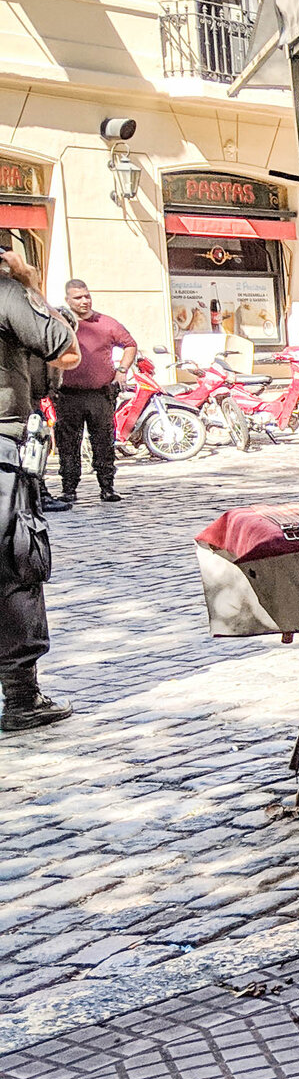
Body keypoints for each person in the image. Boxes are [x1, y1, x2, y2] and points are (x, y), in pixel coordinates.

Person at [0, 247, 73, 731]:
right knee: (14, 564)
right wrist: (23, 276)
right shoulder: (7, 290)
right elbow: (63, 343)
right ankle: (21, 698)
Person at [44, 280, 134, 512]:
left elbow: (129, 344)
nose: (84, 301)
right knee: (68, 444)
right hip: (68, 394)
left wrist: (121, 371)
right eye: (78, 298)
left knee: (104, 441)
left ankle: (107, 487)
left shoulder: (105, 323)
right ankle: (69, 489)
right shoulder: (59, 323)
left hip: (100, 394)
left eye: (86, 296)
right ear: (68, 300)